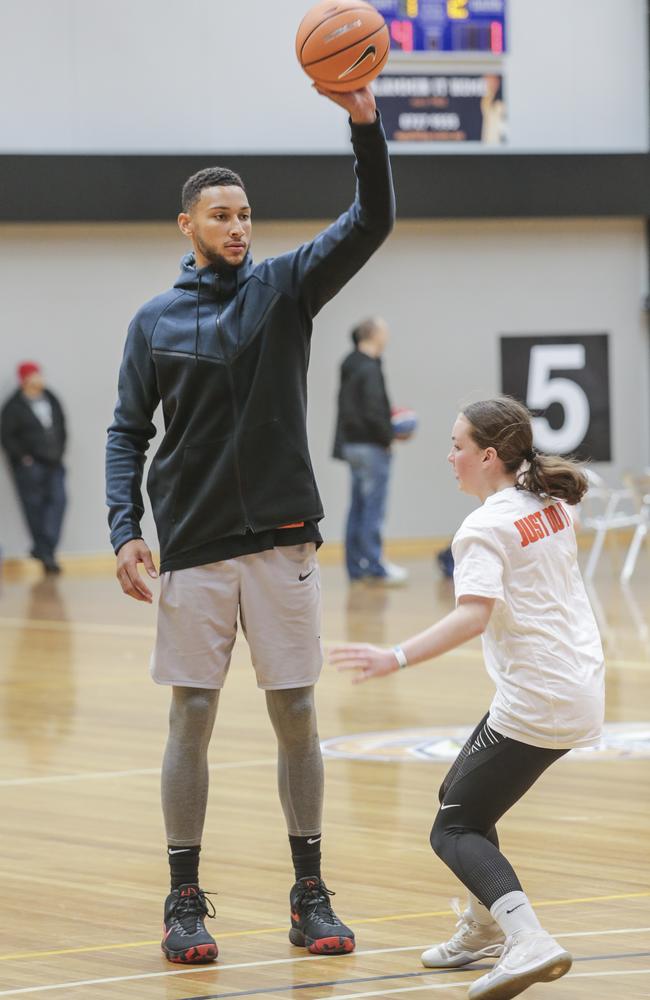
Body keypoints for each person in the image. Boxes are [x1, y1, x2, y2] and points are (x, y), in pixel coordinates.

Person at [105, 83, 394, 965]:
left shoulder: (285, 288)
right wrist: (125, 527)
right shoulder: (153, 321)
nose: (239, 226)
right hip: (192, 548)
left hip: (281, 541)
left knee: (298, 712)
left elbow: (372, 218)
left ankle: (310, 894)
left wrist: (364, 122)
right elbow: (127, 430)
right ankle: (182, 899)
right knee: (191, 714)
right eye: (221, 214)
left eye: (246, 214)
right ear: (186, 225)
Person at [331, 397, 604, 1000]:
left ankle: (528, 939)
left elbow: (471, 617)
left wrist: (392, 656)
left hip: (540, 697)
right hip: (575, 684)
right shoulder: (551, 503)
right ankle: (483, 928)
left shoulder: (483, 527)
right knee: (458, 794)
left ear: (487, 456)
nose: (448, 456)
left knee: (452, 829)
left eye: (457, 445)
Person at [333, 317, 408, 584]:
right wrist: (388, 436)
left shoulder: (350, 363)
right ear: (373, 334)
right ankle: (375, 565)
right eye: (384, 330)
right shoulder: (369, 367)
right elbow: (374, 410)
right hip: (371, 446)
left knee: (357, 507)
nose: (387, 335)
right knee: (373, 508)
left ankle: (356, 566)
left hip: (352, 446)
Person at [1, 361, 67, 574]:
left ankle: (43, 548)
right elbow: (7, 436)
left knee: (59, 501)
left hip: (54, 462)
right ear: (25, 379)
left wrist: (60, 450)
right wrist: (23, 458)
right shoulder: (13, 406)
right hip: (30, 467)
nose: (40, 379)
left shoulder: (51, 397)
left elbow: (61, 425)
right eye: (35, 376)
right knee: (34, 508)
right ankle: (46, 554)